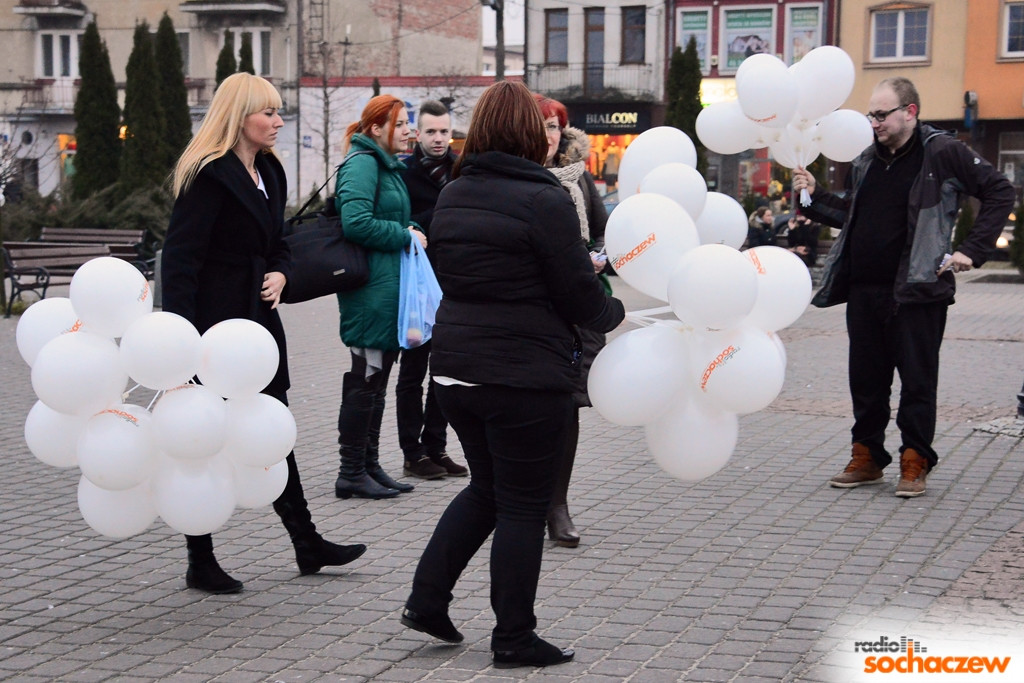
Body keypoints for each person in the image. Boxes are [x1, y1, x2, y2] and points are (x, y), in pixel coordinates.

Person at [400, 81, 625, 668]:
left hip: (455, 372)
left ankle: (427, 601)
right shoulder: (544, 199)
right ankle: (514, 638)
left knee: (487, 489)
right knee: (523, 505)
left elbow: (456, 271)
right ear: (530, 134)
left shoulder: (453, 192)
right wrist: (614, 310)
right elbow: (579, 294)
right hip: (523, 376)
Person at [161, 73, 366, 594]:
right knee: (202, 438)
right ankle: (199, 558)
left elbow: (278, 242)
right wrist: (179, 352)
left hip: (257, 324)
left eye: (278, 112)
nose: (278, 122)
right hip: (211, 327)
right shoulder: (207, 175)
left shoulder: (269, 172)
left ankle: (306, 542)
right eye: (268, 113)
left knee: (271, 428)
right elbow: (181, 264)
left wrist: (282, 272)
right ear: (239, 117)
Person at [792, 77, 1014, 498]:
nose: (873, 122)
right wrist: (816, 195)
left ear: (909, 112)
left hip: (918, 289)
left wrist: (972, 249)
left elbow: (999, 191)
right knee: (867, 380)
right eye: (870, 114)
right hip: (865, 290)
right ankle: (867, 457)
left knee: (917, 381)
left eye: (881, 114)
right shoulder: (866, 159)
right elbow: (855, 215)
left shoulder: (942, 152)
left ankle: (915, 460)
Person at [333, 95, 429, 500]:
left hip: (388, 286)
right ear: (376, 129)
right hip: (369, 289)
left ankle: (370, 465)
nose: (410, 131)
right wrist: (405, 235)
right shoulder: (362, 163)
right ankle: (351, 470)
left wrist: (408, 225)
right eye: (402, 124)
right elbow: (354, 223)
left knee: (378, 378)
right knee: (365, 377)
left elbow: (384, 216)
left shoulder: (385, 165)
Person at [535, 93, 609, 548]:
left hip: (576, 308)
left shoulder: (579, 179)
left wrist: (597, 258)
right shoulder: (517, 176)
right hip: (532, 308)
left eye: (555, 126)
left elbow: (603, 229)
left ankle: (557, 505)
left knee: (567, 408)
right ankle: (519, 499)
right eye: (542, 125)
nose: (549, 135)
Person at [395, 100, 467, 481]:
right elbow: (397, 219)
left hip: (453, 283)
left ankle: (436, 447)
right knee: (412, 371)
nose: (439, 139)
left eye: (444, 131)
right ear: (417, 134)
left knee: (443, 371)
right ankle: (413, 453)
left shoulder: (461, 168)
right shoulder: (403, 173)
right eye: (431, 132)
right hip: (417, 287)